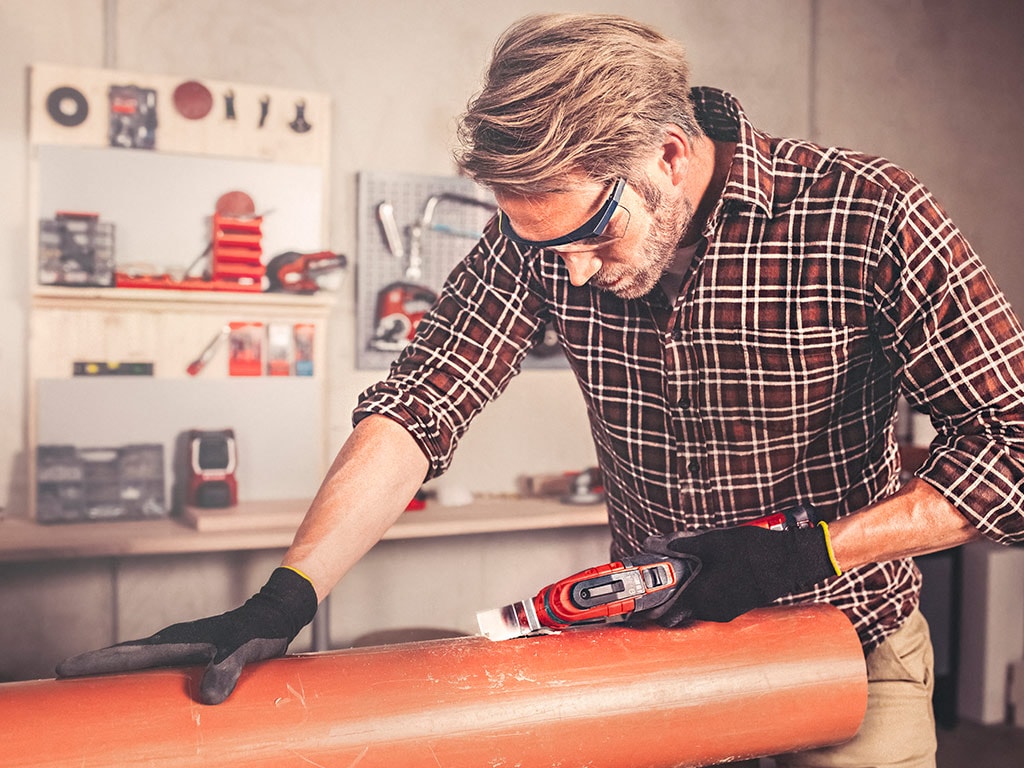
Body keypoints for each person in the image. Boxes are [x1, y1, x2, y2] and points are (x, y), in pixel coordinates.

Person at [57, 13, 1024, 767]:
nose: (574, 277)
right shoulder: (547, 245)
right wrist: (286, 592)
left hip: (847, 640)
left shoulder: (865, 215)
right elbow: (421, 401)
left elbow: (1010, 449)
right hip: (655, 652)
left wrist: (808, 553)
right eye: (542, 247)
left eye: (593, 237)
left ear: (669, 159)